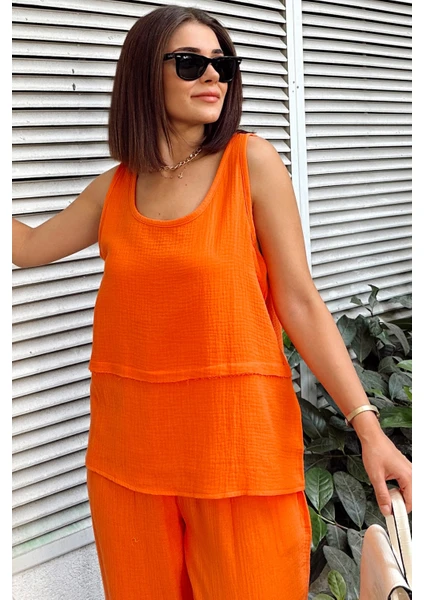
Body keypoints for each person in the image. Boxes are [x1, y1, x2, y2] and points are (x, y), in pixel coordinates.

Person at [12, 5, 412, 600]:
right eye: (190, 62)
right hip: (129, 461)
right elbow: (27, 247)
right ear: (144, 73)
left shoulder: (250, 164)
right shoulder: (114, 189)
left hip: (238, 454)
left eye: (222, 64)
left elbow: (300, 301)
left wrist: (369, 429)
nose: (212, 76)